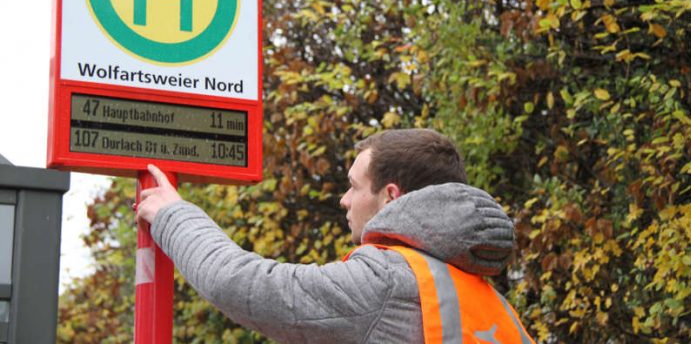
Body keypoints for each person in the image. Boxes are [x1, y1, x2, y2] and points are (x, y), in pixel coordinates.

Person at [137, 128, 535, 343]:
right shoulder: (483, 298)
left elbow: (242, 284)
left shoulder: (389, 281)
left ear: (389, 196)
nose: (344, 200)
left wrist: (173, 215)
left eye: (353, 186)